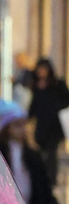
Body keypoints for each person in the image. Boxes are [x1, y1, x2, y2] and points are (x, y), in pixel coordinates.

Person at [28, 58, 69, 186]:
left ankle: (51, 179)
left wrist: (55, 107)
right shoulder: (37, 86)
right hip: (42, 125)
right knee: (42, 152)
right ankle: (44, 178)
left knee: (52, 153)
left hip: (55, 127)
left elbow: (66, 100)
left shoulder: (58, 84)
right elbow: (34, 106)